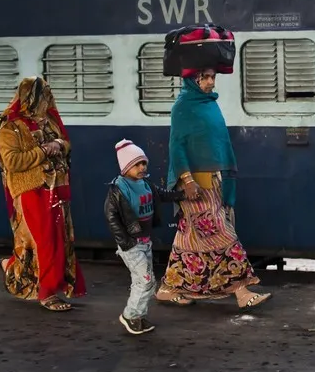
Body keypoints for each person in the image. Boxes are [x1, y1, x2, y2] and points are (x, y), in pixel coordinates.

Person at [155, 68, 271, 311]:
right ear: (192, 80)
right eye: (204, 78)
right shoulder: (183, 107)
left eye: (212, 77)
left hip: (212, 181)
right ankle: (241, 291)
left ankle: (168, 288)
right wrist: (187, 180)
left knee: (189, 237)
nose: (210, 82)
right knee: (222, 233)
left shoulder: (209, 104)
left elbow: (218, 142)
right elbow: (177, 146)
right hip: (194, 185)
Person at [0, 76, 86, 312]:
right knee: (43, 240)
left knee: (59, 239)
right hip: (31, 190)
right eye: (45, 95)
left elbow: (66, 143)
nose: (49, 99)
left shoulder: (50, 119)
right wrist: (45, 150)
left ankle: (14, 269)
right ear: (32, 98)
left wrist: (59, 144)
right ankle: (47, 293)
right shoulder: (11, 126)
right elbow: (13, 161)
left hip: (57, 189)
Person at [104, 139, 188, 335]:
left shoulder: (146, 184)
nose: (142, 167)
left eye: (144, 163)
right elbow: (111, 217)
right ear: (125, 166)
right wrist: (125, 242)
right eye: (136, 164)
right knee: (146, 281)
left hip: (144, 241)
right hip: (131, 244)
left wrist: (182, 195)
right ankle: (130, 315)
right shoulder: (118, 189)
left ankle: (138, 317)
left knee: (142, 281)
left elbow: (162, 195)